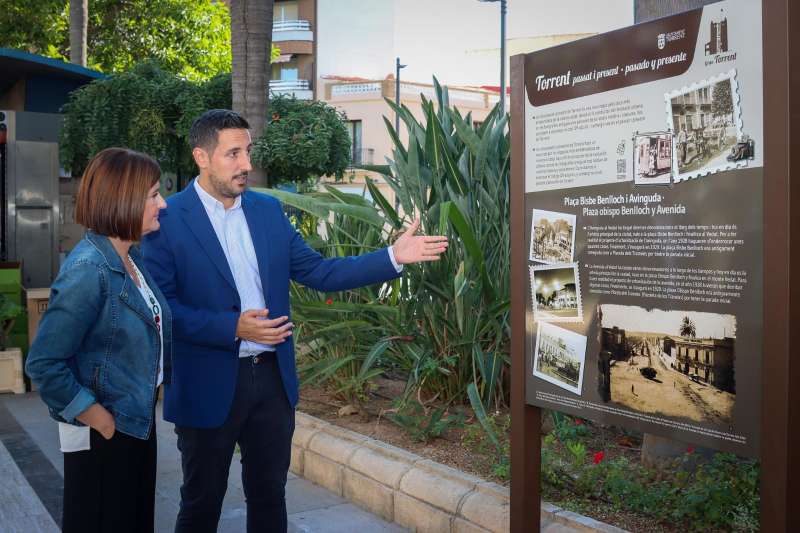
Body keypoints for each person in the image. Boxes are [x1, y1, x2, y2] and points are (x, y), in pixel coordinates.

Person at [141, 109, 448, 533]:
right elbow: (162, 309)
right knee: (201, 501)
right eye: (233, 154)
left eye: (247, 152)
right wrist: (233, 327)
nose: (246, 164)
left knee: (270, 496)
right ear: (201, 156)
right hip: (205, 382)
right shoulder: (166, 219)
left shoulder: (267, 212)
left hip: (271, 381)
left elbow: (320, 272)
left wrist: (393, 256)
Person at [26, 147, 170, 533]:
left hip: (135, 422)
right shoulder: (91, 268)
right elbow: (44, 363)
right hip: (107, 434)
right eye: (154, 195)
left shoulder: (129, 258)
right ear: (123, 200)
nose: (163, 204)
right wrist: (99, 419)